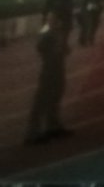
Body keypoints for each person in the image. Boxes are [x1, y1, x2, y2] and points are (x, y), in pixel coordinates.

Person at [24, 8, 71, 145]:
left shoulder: (57, 33)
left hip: (57, 69)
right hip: (49, 71)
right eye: (50, 19)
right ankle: (32, 133)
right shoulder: (47, 34)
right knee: (42, 100)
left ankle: (52, 126)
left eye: (54, 19)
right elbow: (42, 49)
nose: (51, 22)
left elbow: (65, 50)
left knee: (55, 97)